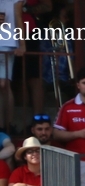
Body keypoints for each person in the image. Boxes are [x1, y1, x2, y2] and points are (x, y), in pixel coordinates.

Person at [0, 0, 24, 132]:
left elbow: (18, 18)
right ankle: (1, 126)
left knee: (4, 84)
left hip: (7, 43)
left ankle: (8, 124)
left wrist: (22, 44)